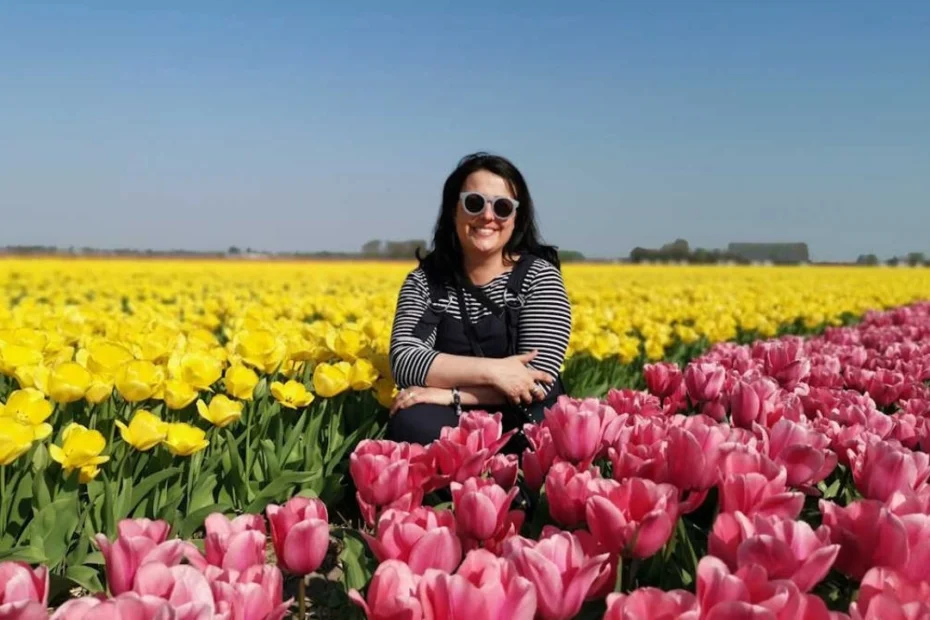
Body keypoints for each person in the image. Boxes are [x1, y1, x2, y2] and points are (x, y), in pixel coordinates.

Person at [386, 152, 572, 446]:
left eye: (502, 207)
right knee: (412, 422)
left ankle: (526, 489)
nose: (488, 216)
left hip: (521, 409)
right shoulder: (426, 282)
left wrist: (451, 393)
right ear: (453, 210)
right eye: (474, 203)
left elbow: (536, 380)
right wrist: (495, 371)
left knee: (544, 430)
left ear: (516, 218)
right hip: (450, 416)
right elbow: (405, 360)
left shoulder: (539, 277)